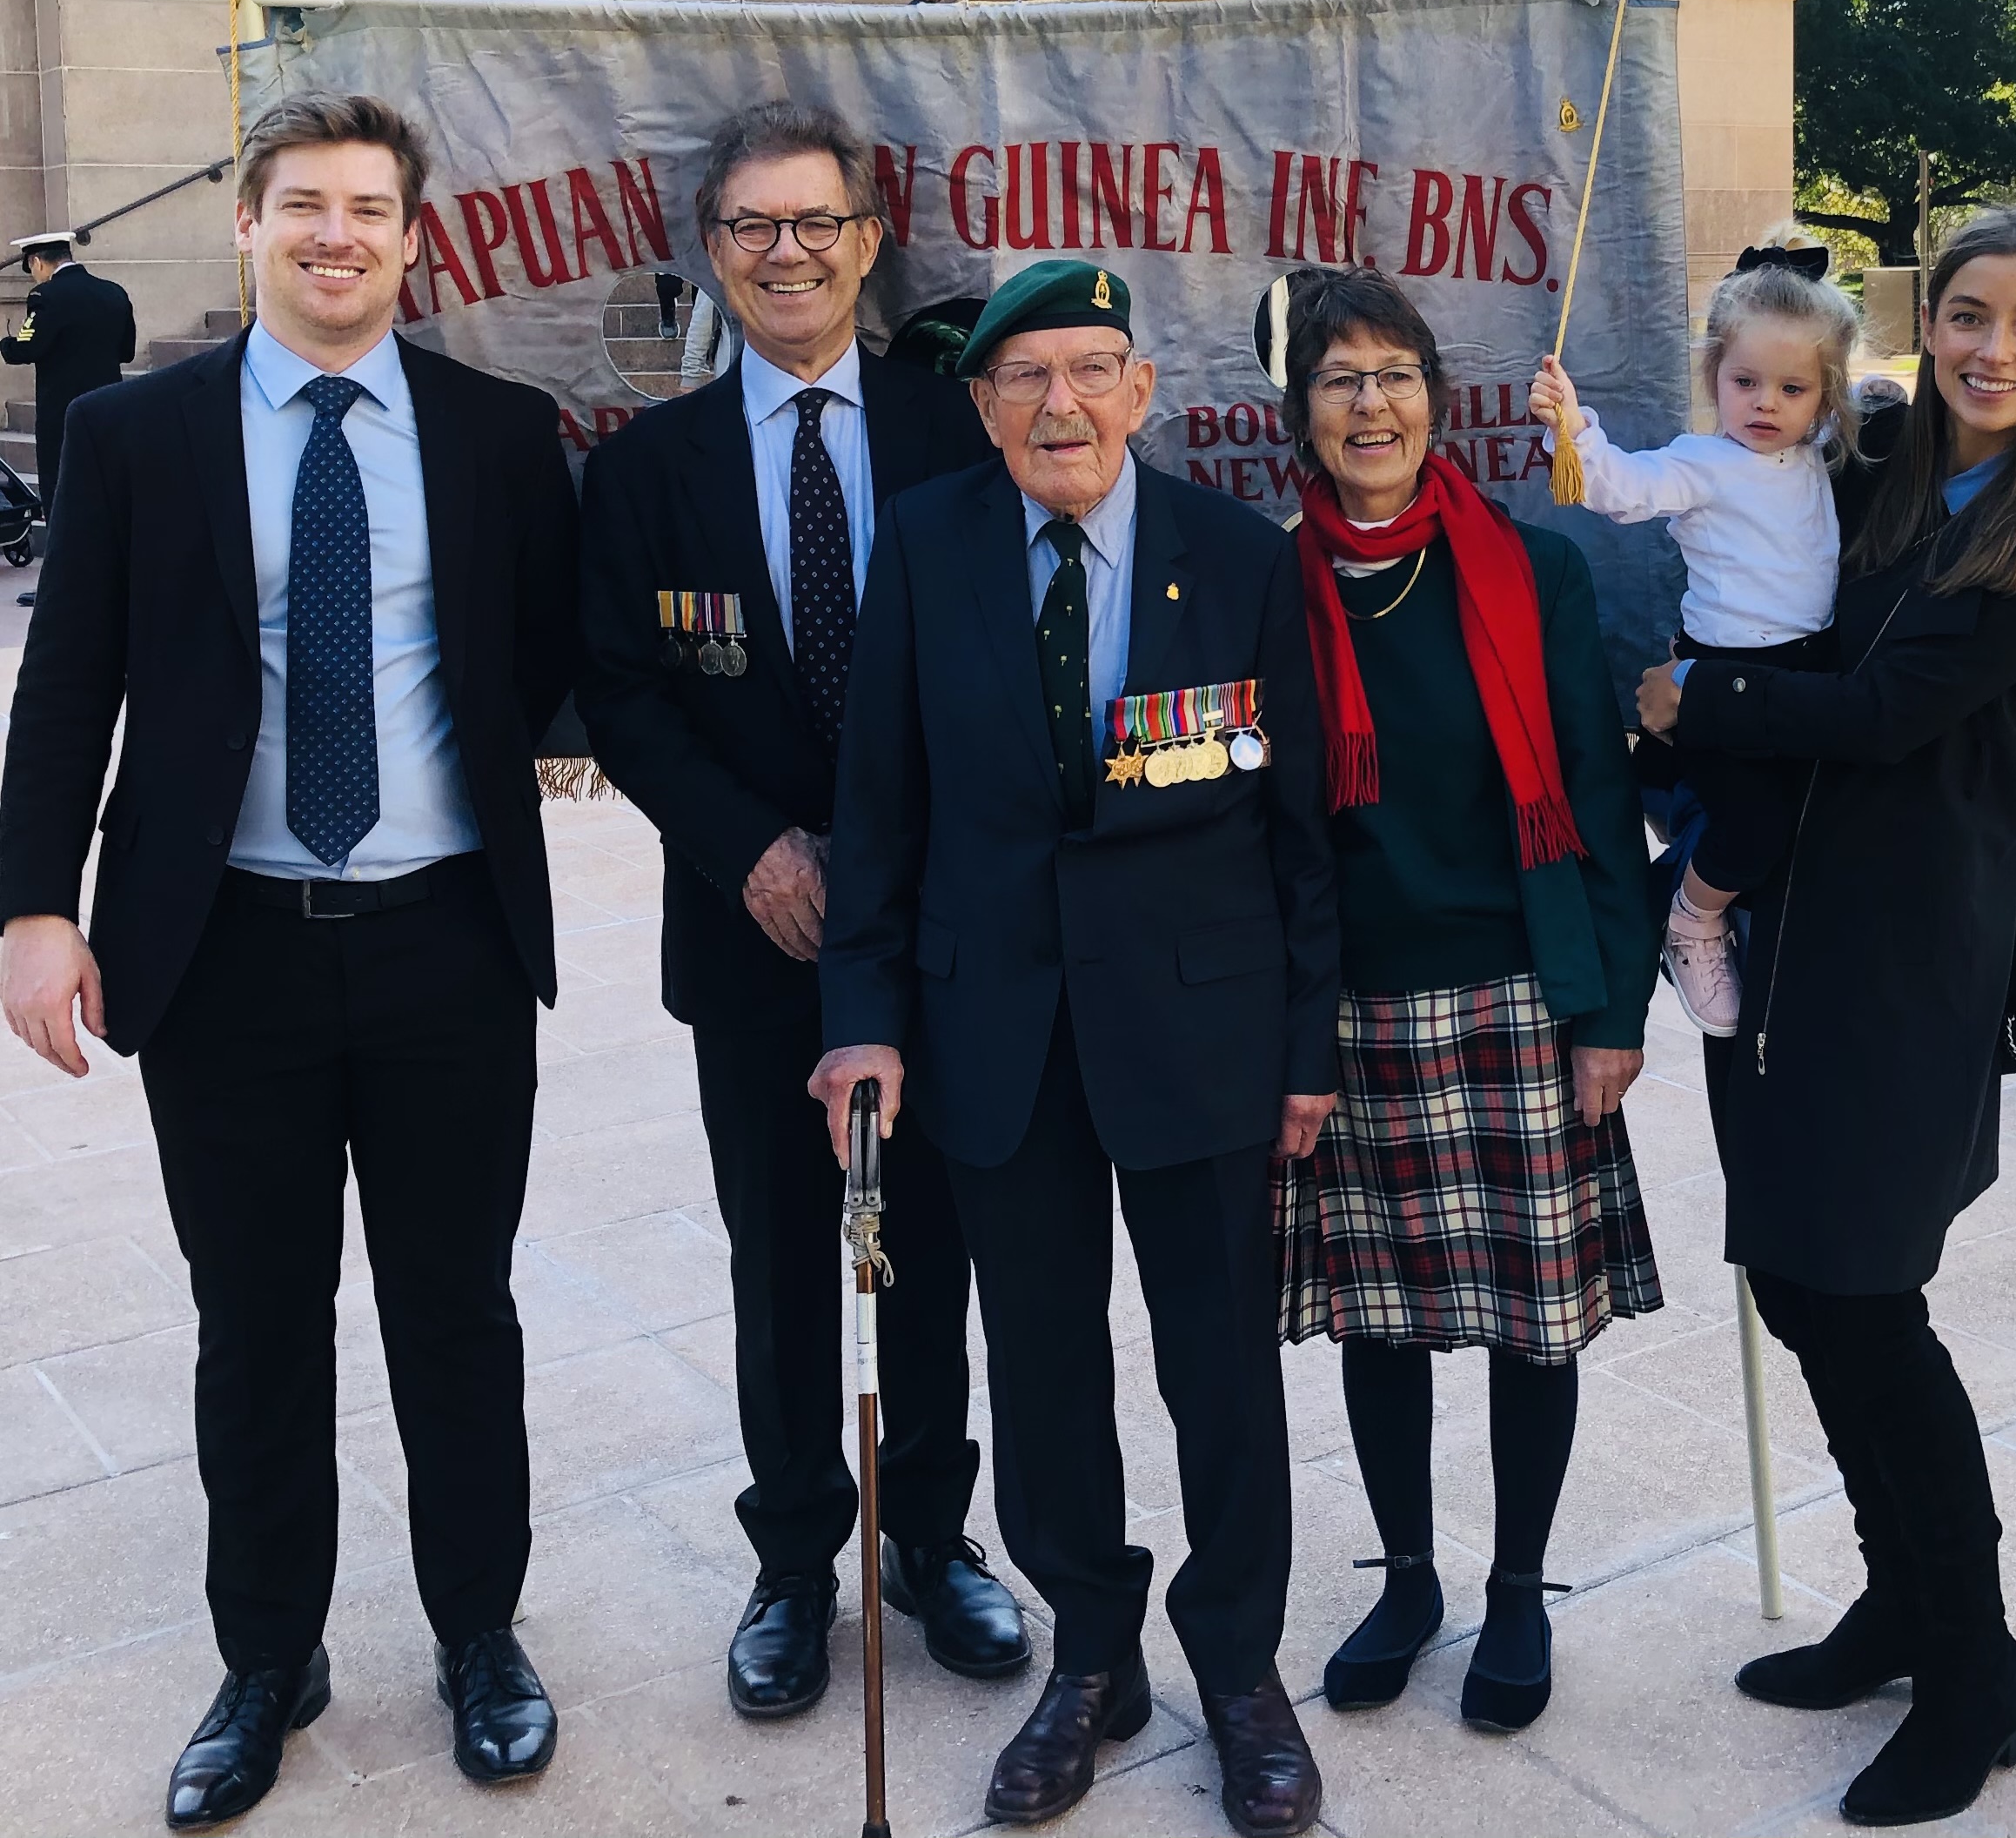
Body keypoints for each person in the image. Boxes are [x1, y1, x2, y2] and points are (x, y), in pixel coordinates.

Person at [0, 93, 579, 1830]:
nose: (339, 236)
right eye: (305, 206)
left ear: (417, 237)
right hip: (226, 950)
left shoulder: (496, 430)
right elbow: (67, 683)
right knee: (255, 1326)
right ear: (247, 226)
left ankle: (480, 1633)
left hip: (448, 949)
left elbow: (559, 650)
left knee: (455, 1315)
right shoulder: (136, 431)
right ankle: (268, 1655)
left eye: (371, 209)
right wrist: (34, 900)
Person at [814, 258, 1340, 1835]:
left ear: (1140, 390)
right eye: (1022, 378)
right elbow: (876, 809)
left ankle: (1238, 1668)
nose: (1059, 404)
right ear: (978, 406)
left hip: (1200, 1030)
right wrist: (862, 1020)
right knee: (1040, 1365)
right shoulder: (926, 544)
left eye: (1089, 369)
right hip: (994, 1033)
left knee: (1218, 1371)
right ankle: (1092, 1659)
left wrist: (1306, 1045)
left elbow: (1297, 823)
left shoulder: (1240, 556)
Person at [1635, 207, 2016, 1828]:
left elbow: (1890, 712)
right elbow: (1750, 483)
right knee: (1791, 1278)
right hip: (1776, 921)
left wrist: (1700, 701)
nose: (1991, 350)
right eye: (1967, 315)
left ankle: (1975, 1666)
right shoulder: (1882, 456)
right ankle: (1898, 1598)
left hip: (1906, 956)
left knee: (1865, 1298)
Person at [576, 103, 1025, 1722]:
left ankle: (932, 1540)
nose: (787, 253)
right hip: (755, 934)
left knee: (934, 1255)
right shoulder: (648, 467)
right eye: (753, 226)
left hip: (939, 944)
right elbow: (619, 693)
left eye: (815, 223)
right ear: (713, 250)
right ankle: (793, 1560)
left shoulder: (952, 430)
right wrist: (744, 847)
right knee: (784, 1260)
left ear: (868, 238)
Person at [1266, 267, 1661, 1734]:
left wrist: (1611, 1007)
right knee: (1379, 1323)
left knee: (1525, 1321)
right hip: (1351, 1007)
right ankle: (1410, 1575)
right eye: (1337, 378)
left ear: (1437, 396)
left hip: (1515, 993)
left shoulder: (1527, 566)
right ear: (1299, 414)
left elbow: (1601, 794)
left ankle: (1512, 1585)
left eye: (1394, 373)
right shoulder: (1266, 577)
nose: (1370, 403)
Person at [1529, 241, 1862, 1035]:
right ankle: (1690, 917)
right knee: (1753, 830)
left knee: (1802, 818)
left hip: (1805, 672)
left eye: (1791, 387)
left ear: (1822, 395)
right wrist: (1570, 425)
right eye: (1744, 381)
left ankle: (1678, 802)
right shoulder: (1704, 462)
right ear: (1714, 374)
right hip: (1721, 678)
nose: (1763, 403)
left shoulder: (1819, 457)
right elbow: (1621, 489)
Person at [1, 233, 135, 560]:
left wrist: (6, 344)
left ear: (37, 261)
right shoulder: (113, 292)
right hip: (109, 405)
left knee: (60, 490)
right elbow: (127, 353)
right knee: (106, 488)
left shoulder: (46, 295)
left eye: (32, 268)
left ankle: (64, 577)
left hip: (63, 412)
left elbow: (26, 348)